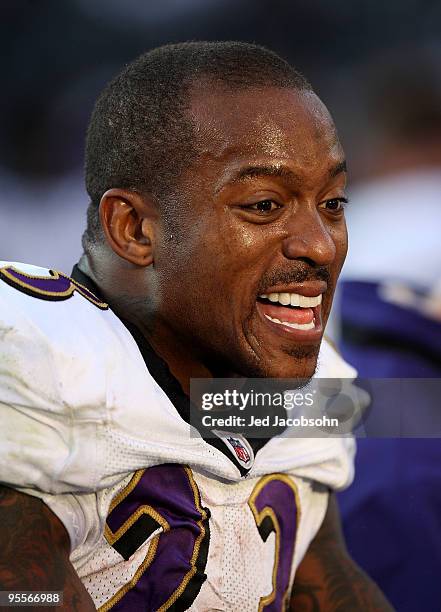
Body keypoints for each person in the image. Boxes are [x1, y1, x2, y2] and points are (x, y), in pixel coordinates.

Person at [0, 42, 391, 611]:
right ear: (134, 228)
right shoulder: (37, 367)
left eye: (333, 202)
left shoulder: (282, 391)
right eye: (264, 204)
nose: (320, 245)